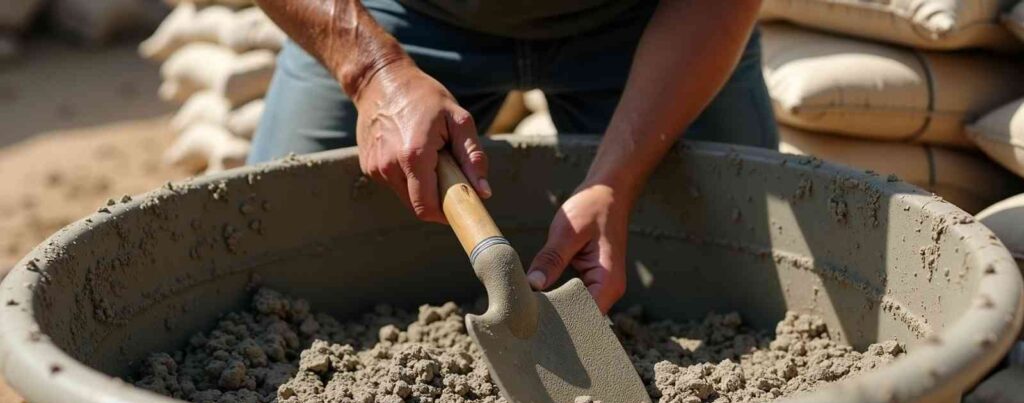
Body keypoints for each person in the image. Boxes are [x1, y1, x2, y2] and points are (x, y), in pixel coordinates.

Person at [249, 0, 777, 313]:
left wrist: (614, 181)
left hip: (643, 19)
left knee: (740, 271)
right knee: (276, 265)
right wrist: (370, 73)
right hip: (403, 15)